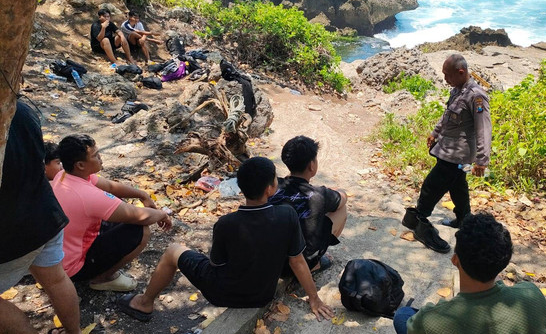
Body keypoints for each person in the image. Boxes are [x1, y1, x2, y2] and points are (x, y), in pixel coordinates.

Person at [117, 157, 334, 322]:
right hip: (263, 295)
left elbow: (216, 264)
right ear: (271, 188)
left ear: (241, 187)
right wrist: (314, 298)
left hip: (222, 293)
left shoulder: (227, 223)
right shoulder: (287, 215)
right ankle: (145, 302)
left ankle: (145, 303)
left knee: (173, 250)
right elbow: (297, 261)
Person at [394, 213, 546, 334]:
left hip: (443, 329)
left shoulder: (434, 322)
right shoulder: (532, 295)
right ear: (504, 261)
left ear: (455, 260)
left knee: (403, 315)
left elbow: (417, 326)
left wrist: (440, 310)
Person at [0, 101, 87, 334]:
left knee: (55, 278)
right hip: (44, 213)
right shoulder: (22, 109)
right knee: (56, 278)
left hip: (11, 230)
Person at [52, 135, 172, 291]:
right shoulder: (87, 196)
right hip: (74, 267)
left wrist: (142, 195)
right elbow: (140, 216)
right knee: (141, 230)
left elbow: (109, 186)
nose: (100, 158)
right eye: (95, 156)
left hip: (59, 255)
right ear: (80, 165)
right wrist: (162, 214)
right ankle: (102, 279)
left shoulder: (64, 175)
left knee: (121, 212)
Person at [402, 54, 492, 253]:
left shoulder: (476, 96)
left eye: (448, 75)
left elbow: (483, 129)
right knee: (458, 185)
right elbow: (448, 116)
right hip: (448, 149)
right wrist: (435, 133)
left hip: (458, 155)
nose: (445, 79)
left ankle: (421, 222)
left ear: (461, 72)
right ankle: (463, 219)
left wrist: (482, 160)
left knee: (431, 185)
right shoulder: (457, 90)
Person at [269, 136, 348, 273]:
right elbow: (343, 198)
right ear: (312, 165)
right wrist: (337, 191)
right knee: (341, 209)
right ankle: (314, 263)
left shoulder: (272, 185)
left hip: (270, 261)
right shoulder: (320, 194)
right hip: (300, 264)